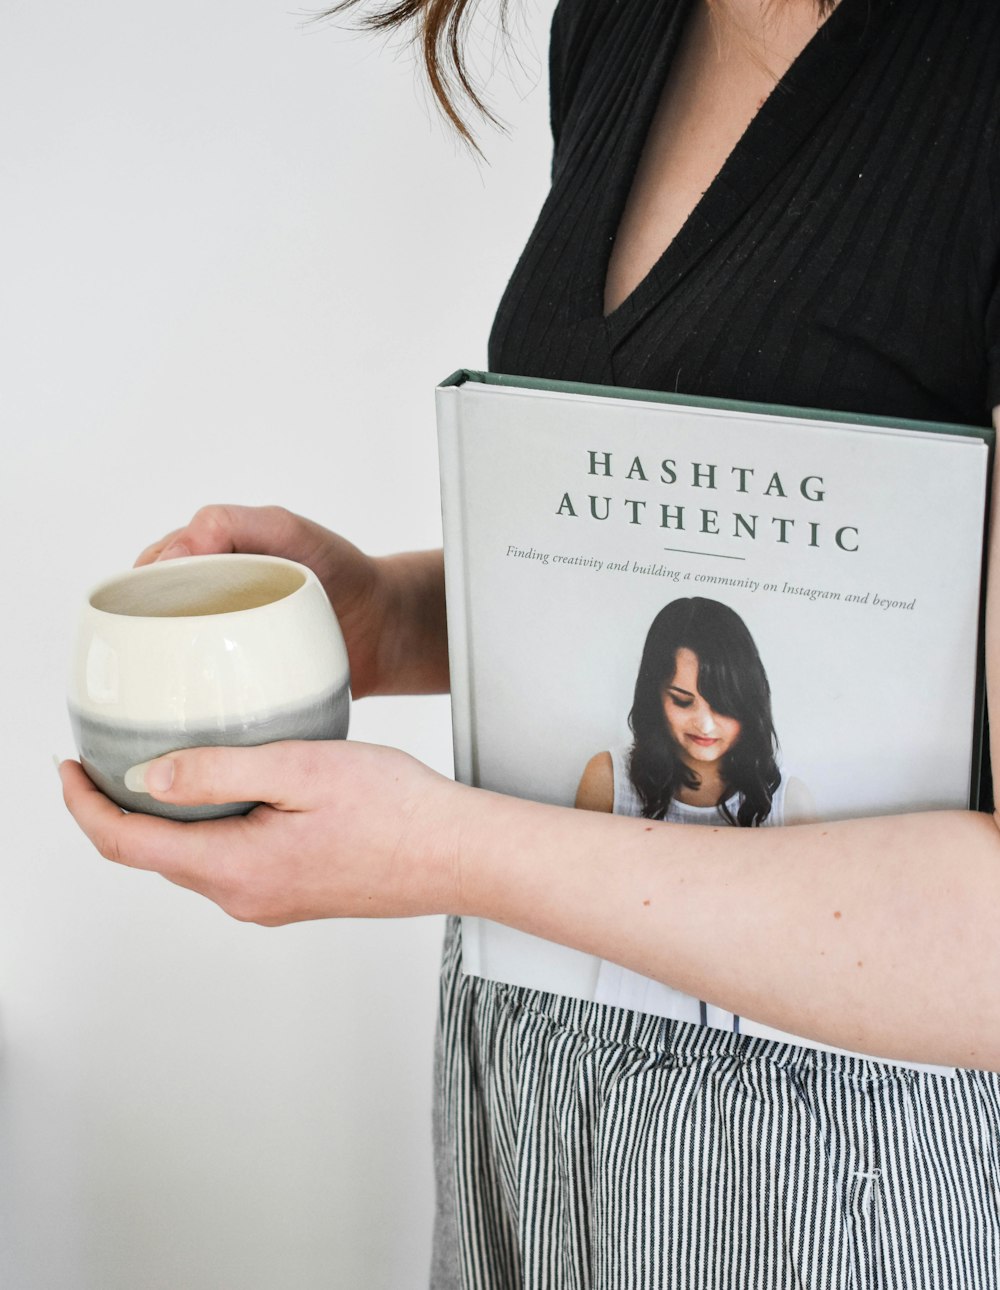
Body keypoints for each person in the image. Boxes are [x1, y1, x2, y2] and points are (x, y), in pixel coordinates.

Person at [59, 0, 1000, 1285]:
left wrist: (442, 850)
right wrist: (391, 619)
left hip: (861, 1170)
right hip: (543, 1081)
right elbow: (719, 561)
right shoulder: (620, 24)